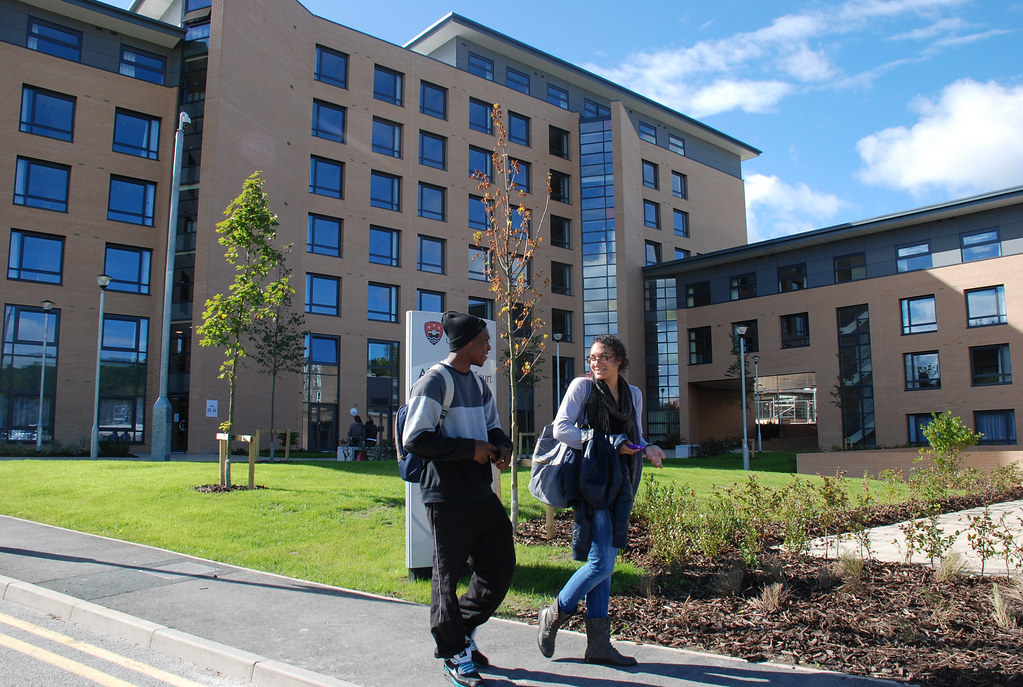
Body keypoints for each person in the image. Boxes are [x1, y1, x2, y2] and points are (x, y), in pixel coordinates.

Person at [537, 334, 665, 666]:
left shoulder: (632, 394)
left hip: (620, 485)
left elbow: (634, 435)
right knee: (601, 564)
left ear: (619, 360)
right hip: (591, 483)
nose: (597, 363)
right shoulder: (581, 388)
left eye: (604, 357)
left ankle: (598, 645)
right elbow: (561, 428)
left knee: (604, 565)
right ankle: (554, 613)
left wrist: (647, 448)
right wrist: (607, 442)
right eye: (592, 357)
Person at [403, 311, 515, 687]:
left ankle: (461, 630)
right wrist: (471, 449)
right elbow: (415, 439)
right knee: (446, 578)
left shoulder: (480, 383)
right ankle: (453, 654)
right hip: (446, 495)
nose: (488, 347)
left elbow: (494, 426)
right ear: (467, 343)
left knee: (499, 567)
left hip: (479, 492)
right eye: (484, 342)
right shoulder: (435, 381)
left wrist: (502, 446)